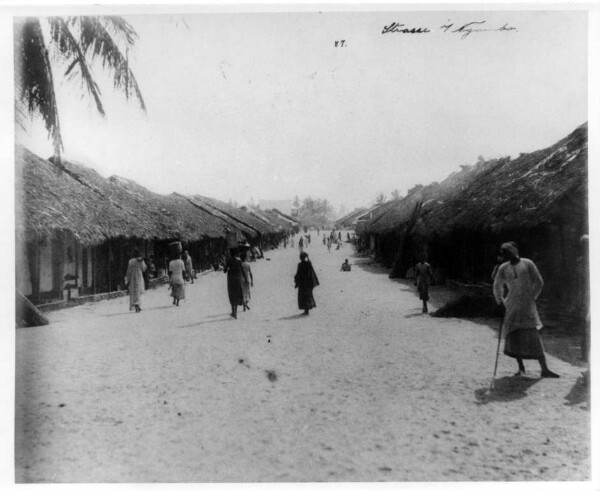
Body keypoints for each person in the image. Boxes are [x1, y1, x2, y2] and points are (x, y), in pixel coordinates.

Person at [493, 242, 559, 378]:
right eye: (504, 253)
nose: (507, 255)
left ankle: (544, 369)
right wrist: (500, 302)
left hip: (527, 305)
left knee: (532, 335)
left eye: (509, 252)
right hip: (511, 304)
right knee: (514, 334)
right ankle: (521, 367)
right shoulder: (503, 268)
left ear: (515, 251)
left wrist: (532, 297)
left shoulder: (528, 263)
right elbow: (497, 285)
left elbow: (539, 281)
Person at [224, 248, 244, 319]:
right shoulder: (239, 260)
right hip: (238, 278)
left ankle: (233, 312)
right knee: (237, 293)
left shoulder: (228, 260)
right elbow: (242, 269)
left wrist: (226, 266)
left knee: (232, 294)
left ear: (230, 253)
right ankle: (235, 312)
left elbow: (225, 270)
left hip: (231, 278)